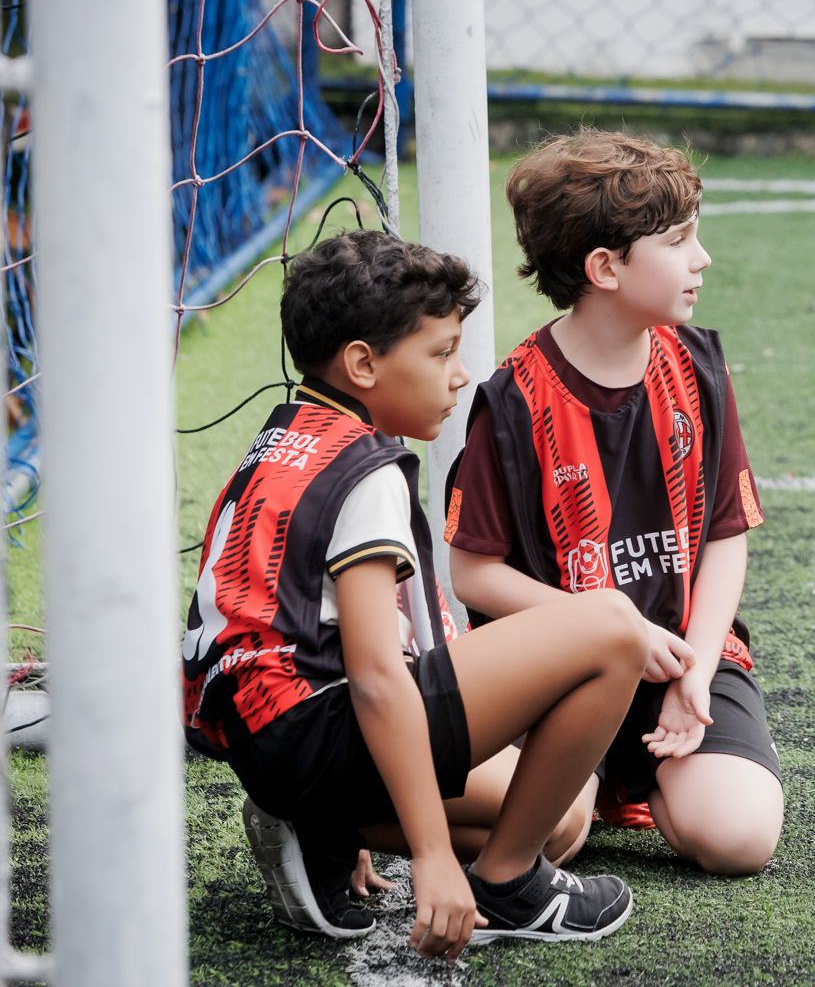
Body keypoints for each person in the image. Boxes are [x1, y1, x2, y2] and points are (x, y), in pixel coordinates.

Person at [180, 230, 649, 961]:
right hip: (316, 727)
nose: (460, 376)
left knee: (565, 814)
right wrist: (431, 856)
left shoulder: (289, 430)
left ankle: (324, 828)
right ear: (363, 363)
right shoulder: (365, 470)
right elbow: (373, 674)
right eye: (440, 353)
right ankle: (508, 883)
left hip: (272, 739)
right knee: (615, 628)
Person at [445, 128, 783, 876]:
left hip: (685, 654)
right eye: (680, 242)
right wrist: (614, 629)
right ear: (605, 267)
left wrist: (694, 675)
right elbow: (473, 575)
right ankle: (588, 785)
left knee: (740, 839)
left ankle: (647, 779)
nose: (702, 259)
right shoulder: (513, 403)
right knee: (551, 835)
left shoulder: (698, 369)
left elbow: (727, 535)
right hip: (555, 676)